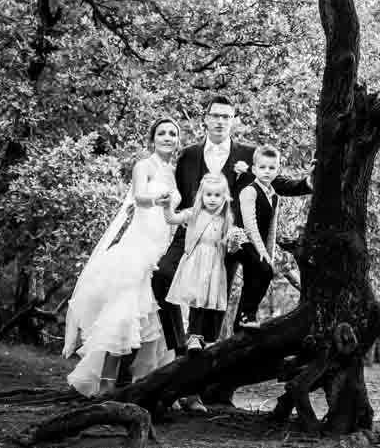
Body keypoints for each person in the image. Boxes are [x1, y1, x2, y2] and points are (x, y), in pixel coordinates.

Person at [151, 95, 312, 354]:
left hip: (230, 236)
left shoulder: (249, 154)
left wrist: (305, 184)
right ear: (205, 119)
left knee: (216, 295)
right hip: (192, 232)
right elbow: (179, 193)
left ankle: (206, 357)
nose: (220, 121)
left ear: (233, 120)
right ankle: (180, 345)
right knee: (161, 277)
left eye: (226, 116)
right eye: (215, 115)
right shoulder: (189, 155)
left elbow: (274, 181)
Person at [63, 118, 181, 397]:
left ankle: (146, 383)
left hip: (163, 247)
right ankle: (105, 383)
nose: (167, 137)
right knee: (124, 313)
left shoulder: (174, 171)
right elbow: (139, 198)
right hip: (139, 247)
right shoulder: (144, 166)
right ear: (153, 139)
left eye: (172, 134)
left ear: (178, 140)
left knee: (156, 318)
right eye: (162, 133)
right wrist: (158, 200)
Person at [162, 173, 233, 351]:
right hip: (196, 262)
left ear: (224, 198)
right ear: (201, 196)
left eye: (217, 195)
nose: (212, 199)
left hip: (215, 264)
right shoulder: (193, 213)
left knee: (211, 301)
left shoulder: (226, 219)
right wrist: (167, 207)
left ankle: (209, 338)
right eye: (208, 195)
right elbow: (172, 219)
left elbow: (226, 244)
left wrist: (234, 243)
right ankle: (193, 336)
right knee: (197, 300)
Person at [234, 145, 286, 329]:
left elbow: (270, 230)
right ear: (254, 169)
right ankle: (247, 315)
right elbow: (250, 225)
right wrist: (262, 252)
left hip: (257, 243)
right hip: (240, 241)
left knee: (255, 276)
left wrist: (268, 253)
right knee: (265, 271)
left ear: (277, 170)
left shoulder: (273, 195)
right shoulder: (250, 190)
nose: (267, 171)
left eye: (272, 168)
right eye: (262, 167)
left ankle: (240, 323)